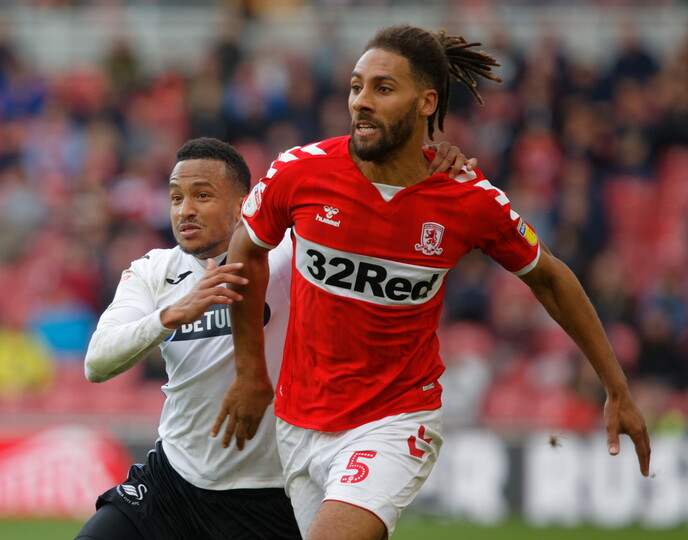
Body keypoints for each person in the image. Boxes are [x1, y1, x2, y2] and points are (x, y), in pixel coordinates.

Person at [212, 25, 652, 540]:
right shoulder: (300, 171)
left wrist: (616, 387)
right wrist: (249, 372)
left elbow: (551, 279)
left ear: (426, 103)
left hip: (396, 419)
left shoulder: (467, 198)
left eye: (383, 88)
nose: (361, 101)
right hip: (299, 420)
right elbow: (245, 251)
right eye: (356, 86)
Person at [76, 136, 470, 540]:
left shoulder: (287, 255)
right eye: (176, 198)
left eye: (202, 195)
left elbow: (365, 184)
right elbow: (97, 362)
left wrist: (421, 160)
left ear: (243, 204)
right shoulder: (153, 271)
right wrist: (170, 315)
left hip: (273, 496)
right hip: (173, 482)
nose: (185, 210)